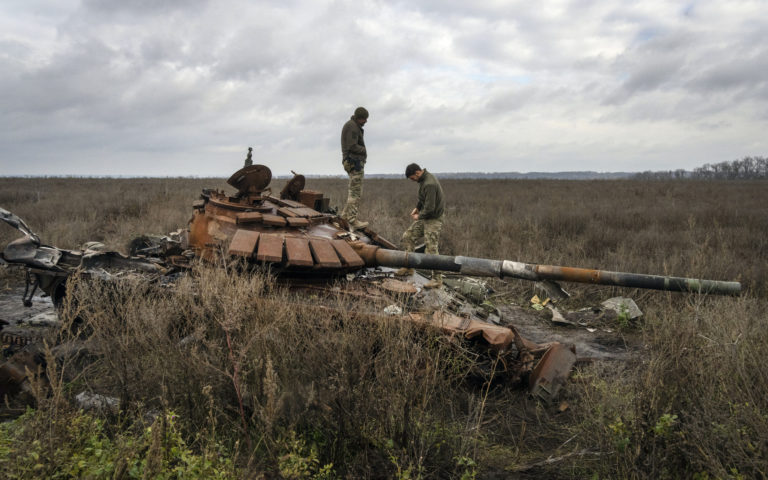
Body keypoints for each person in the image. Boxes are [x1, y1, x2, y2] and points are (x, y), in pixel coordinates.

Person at [395, 163, 445, 288]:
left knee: (431, 248)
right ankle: (408, 267)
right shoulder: (423, 180)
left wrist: (419, 216)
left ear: (417, 173)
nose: (413, 180)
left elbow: (430, 208)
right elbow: (424, 199)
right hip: (426, 217)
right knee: (408, 236)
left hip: (433, 219)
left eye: (412, 178)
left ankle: (437, 280)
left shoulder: (429, 183)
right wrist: (417, 208)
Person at [340, 107, 369, 229]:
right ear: (359, 118)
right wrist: (364, 150)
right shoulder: (352, 126)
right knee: (355, 193)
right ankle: (352, 220)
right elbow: (352, 146)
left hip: (353, 161)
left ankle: (344, 218)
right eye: (364, 119)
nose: (366, 121)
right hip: (354, 162)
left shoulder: (353, 125)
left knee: (353, 191)